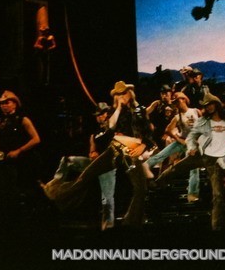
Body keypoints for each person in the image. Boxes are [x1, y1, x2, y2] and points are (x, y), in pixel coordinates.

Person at [44, 81, 156, 228]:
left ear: (130, 93)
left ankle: (132, 222)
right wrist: (119, 107)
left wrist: (143, 146)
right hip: (115, 149)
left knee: (140, 187)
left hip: (132, 150)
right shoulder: (116, 111)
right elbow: (111, 127)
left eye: (124, 93)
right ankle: (55, 195)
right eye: (118, 94)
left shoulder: (140, 110)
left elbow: (148, 131)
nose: (122, 96)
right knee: (85, 176)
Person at [153, 93, 225, 231]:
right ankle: (157, 184)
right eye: (206, 105)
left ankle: (218, 225)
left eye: (211, 104)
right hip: (200, 154)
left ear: (216, 105)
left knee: (218, 194)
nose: (209, 107)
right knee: (176, 169)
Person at [51, 102, 117, 230]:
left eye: (101, 114)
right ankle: (55, 184)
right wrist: (92, 152)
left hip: (108, 164)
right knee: (67, 160)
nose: (98, 117)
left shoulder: (112, 128)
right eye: (97, 115)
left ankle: (108, 226)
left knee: (106, 196)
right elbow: (92, 149)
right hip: (94, 162)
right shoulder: (95, 133)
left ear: (107, 114)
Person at [142, 92, 201, 202]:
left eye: (178, 101)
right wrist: (178, 139)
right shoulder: (177, 117)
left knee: (194, 168)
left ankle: (193, 194)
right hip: (182, 141)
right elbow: (168, 130)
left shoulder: (195, 111)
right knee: (161, 155)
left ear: (184, 99)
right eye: (175, 102)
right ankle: (144, 170)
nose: (177, 104)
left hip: (193, 143)